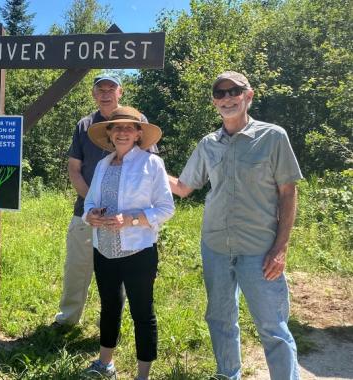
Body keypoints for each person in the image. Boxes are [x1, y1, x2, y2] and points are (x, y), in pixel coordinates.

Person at [169, 71, 301, 379]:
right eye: (220, 93)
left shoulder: (273, 137)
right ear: (214, 102)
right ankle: (228, 374)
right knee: (220, 319)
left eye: (234, 91)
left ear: (248, 95)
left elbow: (288, 192)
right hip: (215, 245)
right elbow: (184, 187)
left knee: (273, 327)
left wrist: (280, 247)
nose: (227, 98)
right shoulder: (208, 144)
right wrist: (144, 161)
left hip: (260, 249)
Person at [82, 106, 174, 380]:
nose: (122, 132)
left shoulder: (151, 164)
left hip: (138, 251)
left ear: (138, 134)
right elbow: (90, 200)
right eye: (116, 127)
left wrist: (132, 220)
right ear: (109, 134)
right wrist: (91, 215)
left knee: (142, 312)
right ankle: (105, 364)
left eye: (128, 128)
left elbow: (166, 208)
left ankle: (143, 375)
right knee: (109, 306)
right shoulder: (102, 164)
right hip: (104, 249)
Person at [54, 73, 150, 328]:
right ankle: (66, 321)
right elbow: (74, 169)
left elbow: (149, 167)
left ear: (121, 92)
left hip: (126, 217)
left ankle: (114, 326)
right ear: (93, 94)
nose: (106, 93)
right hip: (87, 212)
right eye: (101, 89)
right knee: (77, 267)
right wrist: (92, 204)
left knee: (122, 274)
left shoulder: (137, 121)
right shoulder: (84, 125)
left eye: (111, 88)